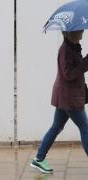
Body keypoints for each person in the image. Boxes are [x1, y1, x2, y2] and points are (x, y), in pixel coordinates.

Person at [30, 30, 88, 174]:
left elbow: (78, 66)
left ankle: (39, 159)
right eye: (79, 31)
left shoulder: (73, 46)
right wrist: (86, 63)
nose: (82, 32)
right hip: (69, 97)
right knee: (85, 128)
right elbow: (68, 74)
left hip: (67, 96)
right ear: (69, 33)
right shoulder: (65, 50)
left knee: (56, 126)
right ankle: (39, 158)